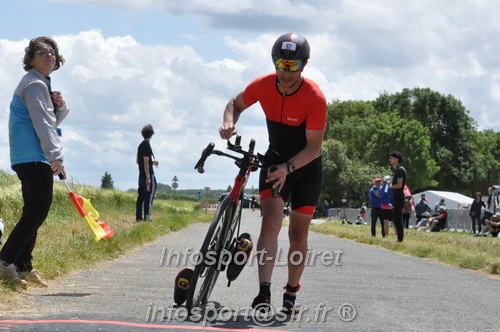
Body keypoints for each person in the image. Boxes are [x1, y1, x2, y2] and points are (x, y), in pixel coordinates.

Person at [218, 32, 327, 314]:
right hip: (275, 159)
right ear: (274, 62)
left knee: (298, 236)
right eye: (281, 64)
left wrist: (288, 169)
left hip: (305, 167)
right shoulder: (264, 85)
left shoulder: (314, 97)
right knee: (270, 222)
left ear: (304, 65)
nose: (286, 71)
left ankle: (291, 292)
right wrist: (229, 123)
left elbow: (314, 148)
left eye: (293, 65)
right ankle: (263, 293)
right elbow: (235, 103)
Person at [0, 36, 69, 287]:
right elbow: (42, 123)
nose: (49, 56)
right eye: (42, 52)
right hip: (34, 156)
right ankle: (6, 261)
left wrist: (59, 108)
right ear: (30, 59)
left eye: (52, 52)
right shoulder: (35, 85)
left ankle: (23, 265)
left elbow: (49, 122)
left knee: (33, 212)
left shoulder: (39, 84)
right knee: (37, 212)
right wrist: (56, 156)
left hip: (29, 156)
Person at [135, 124, 159, 222]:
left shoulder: (140, 145)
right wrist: (148, 177)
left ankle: (139, 216)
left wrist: (152, 162)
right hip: (147, 175)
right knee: (149, 196)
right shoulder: (147, 146)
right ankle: (147, 217)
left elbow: (138, 161)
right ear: (151, 134)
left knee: (141, 196)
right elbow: (145, 162)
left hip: (141, 175)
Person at [388, 151, 407, 242]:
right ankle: (399, 237)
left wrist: (391, 186)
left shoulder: (400, 170)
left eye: (391, 158)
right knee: (395, 218)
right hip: (395, 197)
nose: (390, 160)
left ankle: (400, 239)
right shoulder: (396, 170)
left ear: (396, 159)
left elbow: (399, 185)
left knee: (398, 218)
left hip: (398, 197)